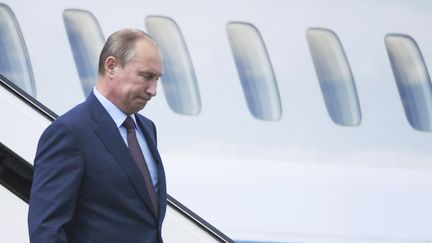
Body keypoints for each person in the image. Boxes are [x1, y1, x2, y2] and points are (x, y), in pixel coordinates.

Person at [28, 29, 167, 243]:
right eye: (146, 76)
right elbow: (46, 229)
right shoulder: (70, 132)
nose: (153, 90)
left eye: (157, 78)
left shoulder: (147, 129)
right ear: (111, 66)